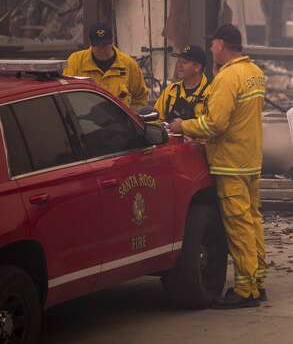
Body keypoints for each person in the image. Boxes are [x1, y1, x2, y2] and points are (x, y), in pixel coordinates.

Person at [167, 25, 268, 309]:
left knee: (238, 227)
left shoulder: (226, 78)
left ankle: (245, 289)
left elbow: (215, 124)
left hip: (230, 162)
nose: (212, 49)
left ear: (221, 44)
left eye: (213, 45)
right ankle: (258, 281)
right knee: (252, 220)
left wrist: (182, 125)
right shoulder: (255, 74)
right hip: (250, 160)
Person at [64, 22, 149, 108]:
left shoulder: (128, 65)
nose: (101, 49)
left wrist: (130, 117)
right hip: (84, 120)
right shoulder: (76, 62)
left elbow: (141, 98)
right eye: (97, 45)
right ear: (90, 43)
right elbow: (66, 93)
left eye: (105, 45)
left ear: (112, 42)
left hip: (118, 120)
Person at [154, 45, 210, 121]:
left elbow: (212, 126)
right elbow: (156, 118)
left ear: (197, 67)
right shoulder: (170, 90)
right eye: (178, 61)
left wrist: (183, 126)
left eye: (184, 62)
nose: (179, 66)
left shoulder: (211, 93)